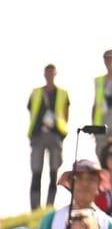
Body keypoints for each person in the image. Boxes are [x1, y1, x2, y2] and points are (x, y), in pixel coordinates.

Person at [28, 66, 69, 212]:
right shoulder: (36, 92)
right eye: (47, 73)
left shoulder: (63, 94)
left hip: (55, 135)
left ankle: (50, 205)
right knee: (36, 171)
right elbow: (30, 110)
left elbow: (65, 113)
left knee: (53, 172)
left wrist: (60, 131)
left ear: (55, 74)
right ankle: (35, 208)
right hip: (38, 135)